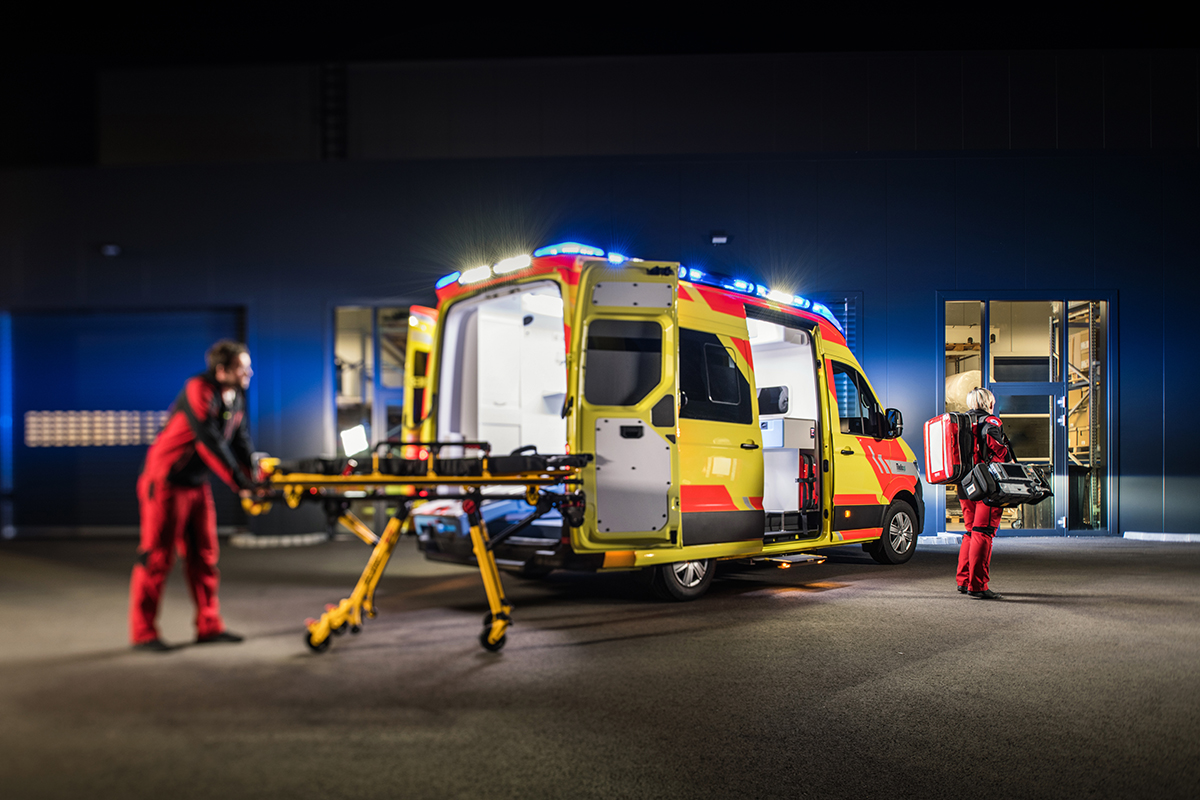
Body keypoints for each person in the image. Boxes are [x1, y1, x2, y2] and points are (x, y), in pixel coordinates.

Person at [128, 340, 261, 650]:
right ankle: (143, 633)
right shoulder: (198, 389)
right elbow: (209, 440)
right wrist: (239, 483)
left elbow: (240, 440)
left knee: (204, 556)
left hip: (196, 483)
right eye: (243, 367)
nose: (249, 372)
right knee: (157, 557)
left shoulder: (236, 395)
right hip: (164, 481)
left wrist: (256, 478)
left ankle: (209, 626)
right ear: (222, 370)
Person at [954, 387, 1011, 600]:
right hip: (986, 484)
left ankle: (963, 580)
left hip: (964, 484)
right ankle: (977, 585)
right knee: (983, 532)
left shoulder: (962, 422)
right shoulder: (991, 422)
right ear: (988, 402)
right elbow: (998, 449)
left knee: (970, 531)